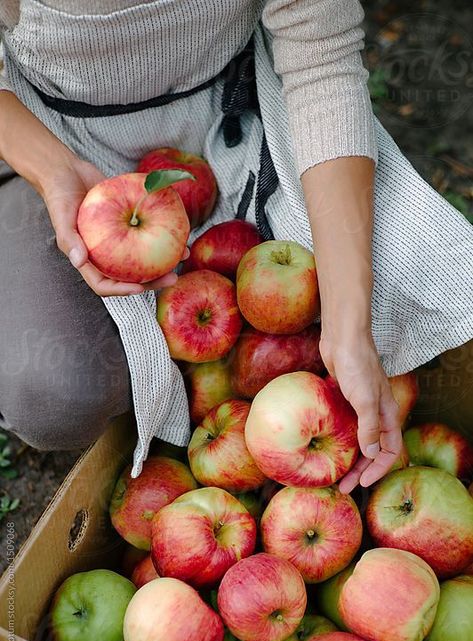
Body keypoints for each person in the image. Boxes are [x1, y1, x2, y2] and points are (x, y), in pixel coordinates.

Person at [0, 1, 471, 493]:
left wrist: (347, 328)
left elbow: (321, 56)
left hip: (239, 115)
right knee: (57, 390)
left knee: (416, 281)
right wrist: (52, 171)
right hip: (51, 138)